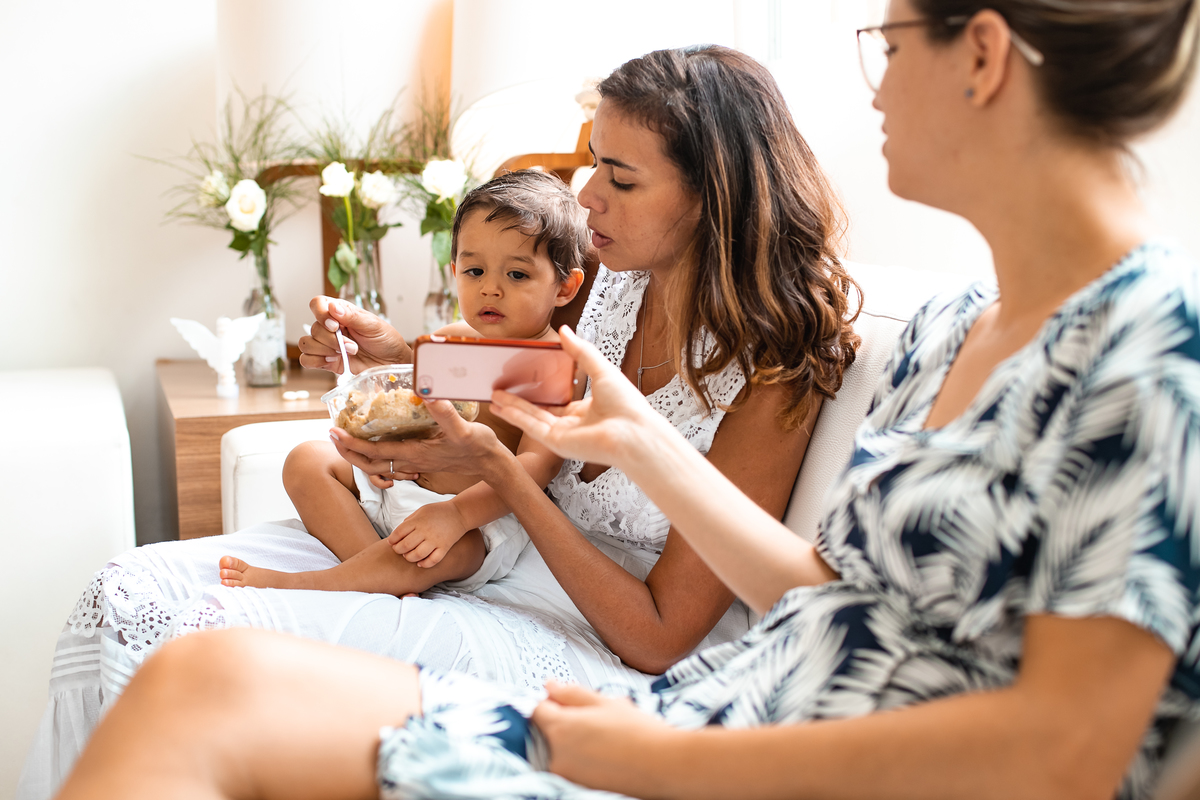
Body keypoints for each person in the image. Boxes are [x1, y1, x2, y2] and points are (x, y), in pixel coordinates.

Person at [53, 1, 1200, 797]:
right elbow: (825, 594)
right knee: (190, 668)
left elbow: (1064, 758)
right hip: (722, 702)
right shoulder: (976, 322)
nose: (877, 82)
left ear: (983, 56)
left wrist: (646, 755)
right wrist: (635, 444)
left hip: (725, 734)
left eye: (889, 42)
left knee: (201, 682)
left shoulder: (1145, 347)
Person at [18, 42, 858, 800]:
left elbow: (659, 637)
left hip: (603, 640)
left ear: (714, 195)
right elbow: (504, 371)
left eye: (622, 179)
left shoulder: (779, 366)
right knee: (124, 593)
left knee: (192, 636)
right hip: (503, 557)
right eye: (595, 161)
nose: (586, 193)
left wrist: (493, 478)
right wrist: (391, 352)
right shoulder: (615, 280)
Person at [217, 170, 587, 596]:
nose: (490, 289)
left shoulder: (552, 364)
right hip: (400, 487)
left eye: (517, 275)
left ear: (564, 287)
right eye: (474, 270)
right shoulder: (448, 341)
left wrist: (458, 516)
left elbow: (535, 469)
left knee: (450, 552)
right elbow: (410, 405)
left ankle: (321, 583)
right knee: (305, 460)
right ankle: (375, 572)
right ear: (454, 271)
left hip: (475, 520)